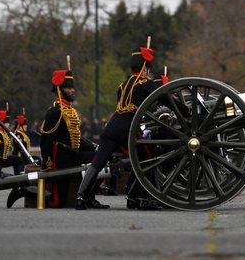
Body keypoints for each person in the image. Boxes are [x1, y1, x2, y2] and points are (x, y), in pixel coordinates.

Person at [76, 44, 165, 210]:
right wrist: (183, 110)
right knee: (147, 160)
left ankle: (81, 197)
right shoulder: (146, 83)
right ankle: (138, 198)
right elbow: (164, 99)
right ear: (145, 68)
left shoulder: (122, 86)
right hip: (128, 128)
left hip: (112, 126)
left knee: (98, 162)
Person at [36, 68, 97, 208]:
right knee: (57, 202)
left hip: (73, 155)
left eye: (72, 88)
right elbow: (46, 140)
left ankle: (90, 197)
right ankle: (25, 191)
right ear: (60, 90)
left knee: (99, 158)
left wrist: (93, 146)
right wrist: (48, 163)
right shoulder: (54, 112)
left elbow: (75, 137)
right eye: (69, 88)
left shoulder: (70, 110)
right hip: (61, 160)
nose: (72, 91)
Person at [0, 108, 23, 179]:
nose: (9, 124)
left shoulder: (4, 133)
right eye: (7, 122)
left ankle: (19, 179)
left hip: (3, 159)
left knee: (19, 160)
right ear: (2, 123)